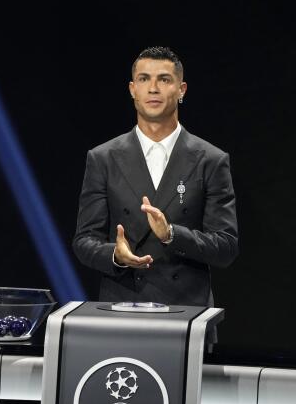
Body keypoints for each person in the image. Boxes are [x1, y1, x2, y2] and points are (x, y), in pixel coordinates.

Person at [73, 46, 238, 306]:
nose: (153, 88)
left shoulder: (211, 160)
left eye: (164, 79)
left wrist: (172, 235)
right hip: (123, 307)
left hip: (188, 311)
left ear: (181, 90)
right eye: (144, 79)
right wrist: (116, 255)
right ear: (132, 90)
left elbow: (226, 247)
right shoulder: (103, 158)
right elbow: (84, 241)